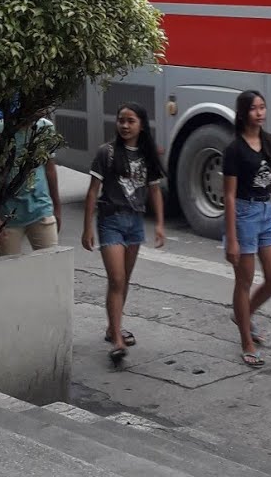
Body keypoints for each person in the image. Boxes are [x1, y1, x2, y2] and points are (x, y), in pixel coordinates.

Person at [81, 102, 167, 365]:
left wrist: (160, 225)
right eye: (121, 121)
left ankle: (112, 328)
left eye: (130, 121)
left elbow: (154, 191)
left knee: (124, 279)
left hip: (135, 223)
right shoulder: (106, 153)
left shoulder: (147, 155)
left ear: (141, 125)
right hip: (110, 221)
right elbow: (93, 190)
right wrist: (87, 227)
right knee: (116, 279)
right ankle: (117, 339)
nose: (125, 126)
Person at [223, 90, 271, 369]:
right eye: (254, 108)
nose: (260, 113)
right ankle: (246, 342)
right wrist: (232, 240)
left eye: (263, 107)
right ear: (243, 113)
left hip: (266, 213)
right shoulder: (234, 150)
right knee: (244, 281)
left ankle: (243, 313)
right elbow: (228, 195)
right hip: (243, 213)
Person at [0, 113, 62, 256]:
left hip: (41, 209)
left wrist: (57, 207)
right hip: (8, 214)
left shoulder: (45, 127)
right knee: (10, 271)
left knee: (51, 266)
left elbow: (50, 169)